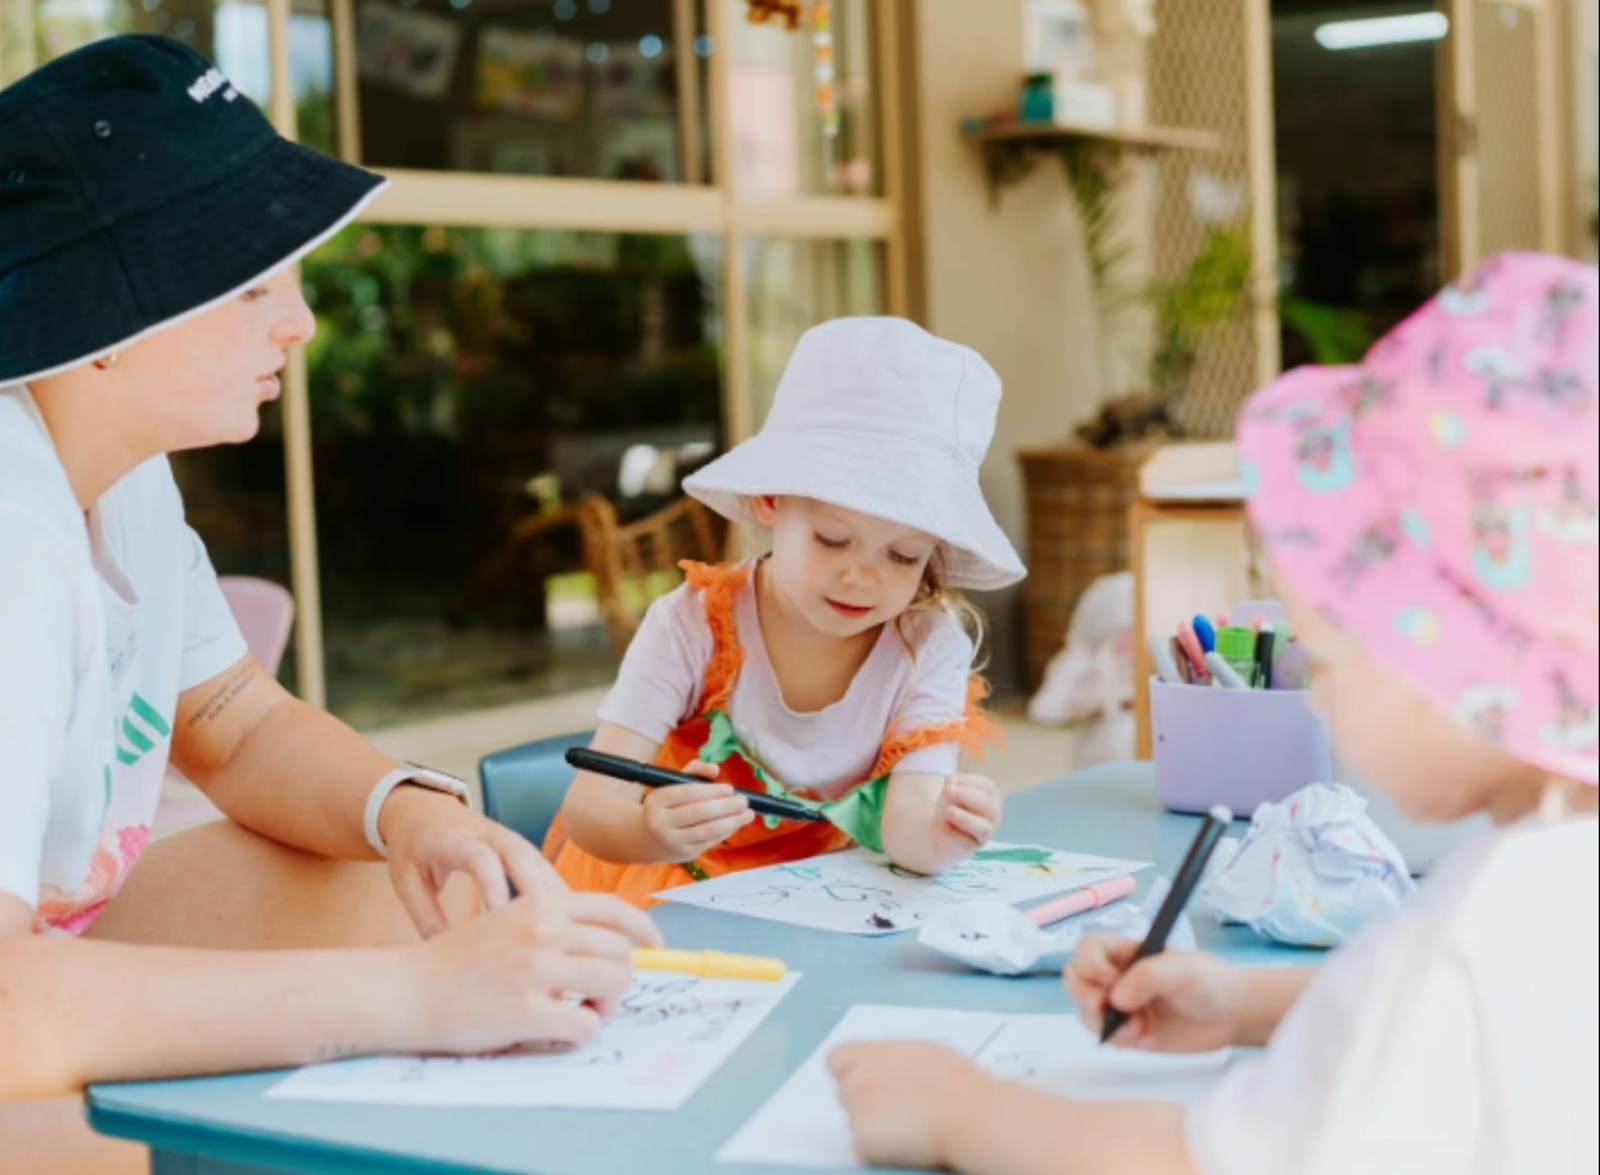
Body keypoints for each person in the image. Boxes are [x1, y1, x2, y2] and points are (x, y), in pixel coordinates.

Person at [0, 36, 658, 1175]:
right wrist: (414, 998)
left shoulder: (122, 477)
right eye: (253, 281)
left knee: (406, 898)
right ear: (98, 316)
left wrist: (412, 813)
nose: (298, 323)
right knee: (229, 1143)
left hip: (47, 940)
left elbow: (234, 719)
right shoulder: (14, 543)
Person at [829, 252, 1600, 1175]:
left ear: (1477, 661)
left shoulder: (1490, 920)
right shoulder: (1550, 878)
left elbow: (1205, 1161)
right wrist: (1245, 1003)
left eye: (1336, 659)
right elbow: (1476, 1018)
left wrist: (961, 1112)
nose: (1312, 689)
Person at [546, 318, 1028, 906]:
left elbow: (909, 831)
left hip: (814, 899)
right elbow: (589, 808)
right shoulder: (690, 624)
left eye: (903, 556)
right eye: (831, 539)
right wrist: (649, 832)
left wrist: (947, 835)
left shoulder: (927, 645)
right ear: (771, 500)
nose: (861, 577)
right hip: (670, 887)